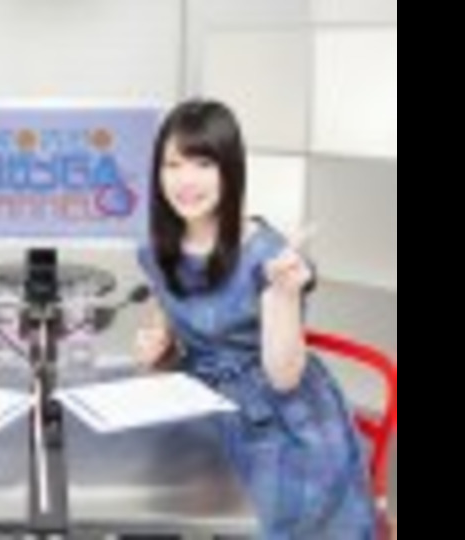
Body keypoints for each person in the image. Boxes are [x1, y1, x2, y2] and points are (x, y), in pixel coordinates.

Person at [135, 99, 377, 538]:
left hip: (278, 416)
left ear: (230, 170)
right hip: (199, 402)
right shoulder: (156, 249)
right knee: (146, 498)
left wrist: (283, 294)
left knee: (263, 519)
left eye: (203, 163)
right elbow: (168, 335)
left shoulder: (266, 254)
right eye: (173, 164)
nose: (186, 180)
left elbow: (284, 376)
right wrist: (157, 348)